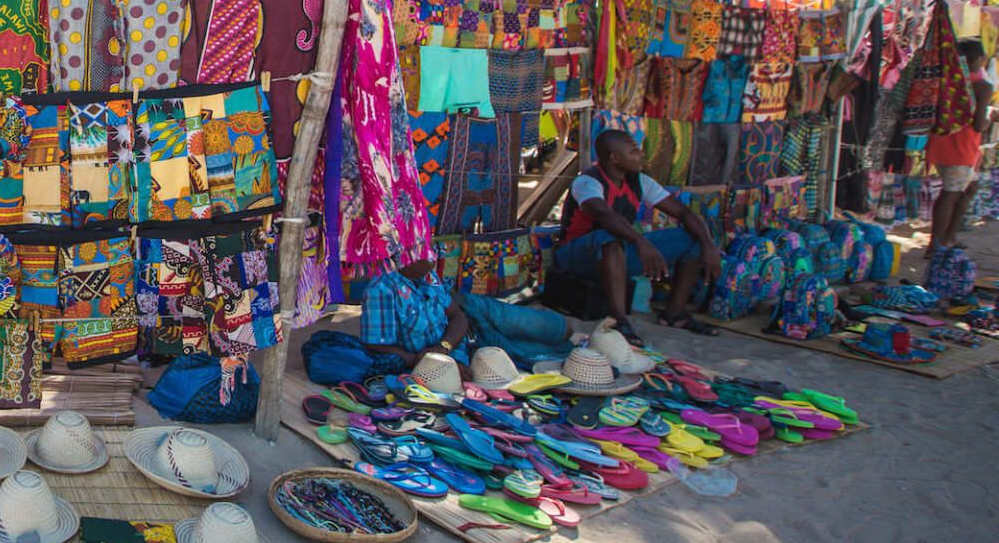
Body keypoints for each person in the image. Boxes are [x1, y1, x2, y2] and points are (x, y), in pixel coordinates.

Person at [555, 128, 724, 337]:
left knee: (691, 239)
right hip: (574, 256)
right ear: (615, 158)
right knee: (608, 237)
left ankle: (675, 313)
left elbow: (683, 212)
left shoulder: (640, 182)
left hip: (616, 252)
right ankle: (619, 321)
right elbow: (605, 216)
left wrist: (709, 245)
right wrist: (641, 242)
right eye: (634, 151)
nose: (641, 155)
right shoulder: (587, 182)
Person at [301, 260, 574, 385]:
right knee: (540, 358)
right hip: (469, 345)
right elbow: (377, 345)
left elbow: (459, 317)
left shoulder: (427, 276)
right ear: (404, 256)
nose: (433, 258)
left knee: (561, 330)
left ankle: (564, 329)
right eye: (426, 252)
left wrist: (444, 351)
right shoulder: (382, 290)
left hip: (475, 317)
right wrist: (429, 361)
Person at [927, 38, 994, 250]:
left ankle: (948, 237)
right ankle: (937, 244)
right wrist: (990, 118)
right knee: (950, 194)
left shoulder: (948, 80)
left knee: (968, 188)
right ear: (981, 59)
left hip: (942, 142)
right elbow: (978, 125)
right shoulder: (983, 86)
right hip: (962, 147)